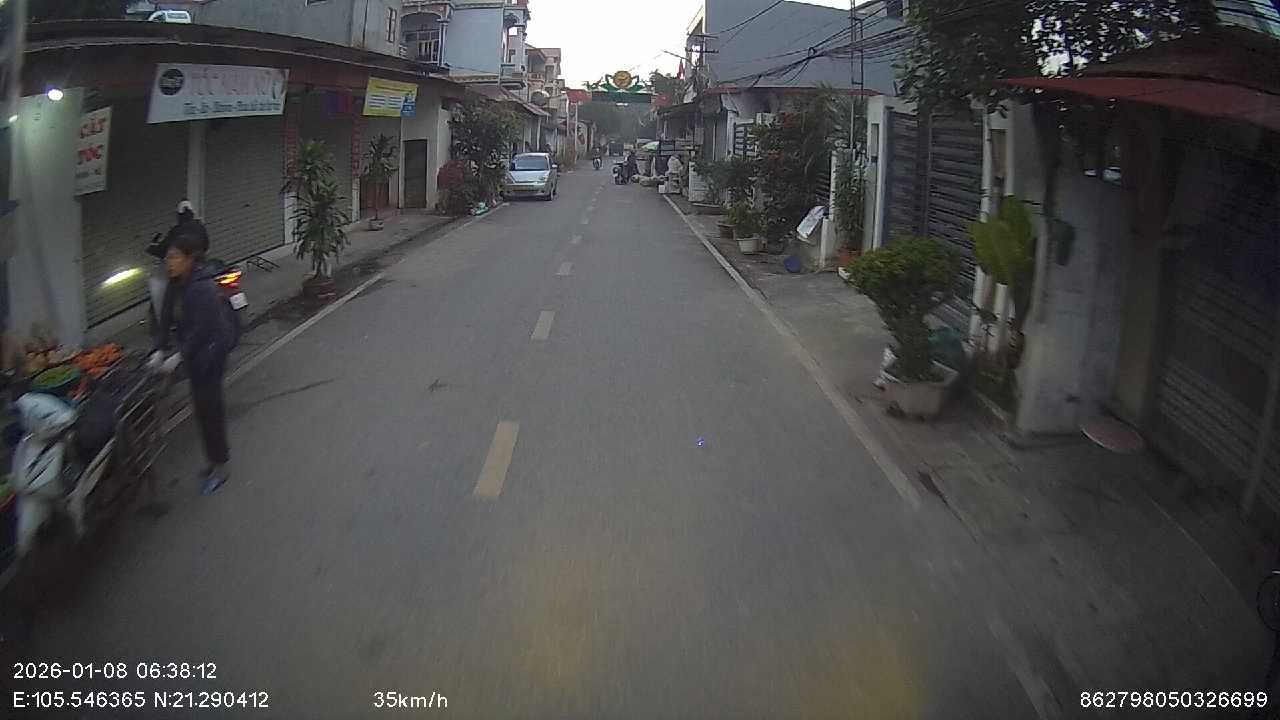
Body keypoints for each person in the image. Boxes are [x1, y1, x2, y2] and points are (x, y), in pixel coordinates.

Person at [150, 231, 236, 495]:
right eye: (168, 258)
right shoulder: (175, 284)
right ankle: (214, 460)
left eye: (174, 257)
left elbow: (202, 330)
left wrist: (179, 356)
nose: (169, 262)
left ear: (189, 259)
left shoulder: (203, 287)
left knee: (210, 408)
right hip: (195, 352)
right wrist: (159, 348)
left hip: (211, 351)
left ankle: (220, 465)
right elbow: (165, 318)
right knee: (200, 408)